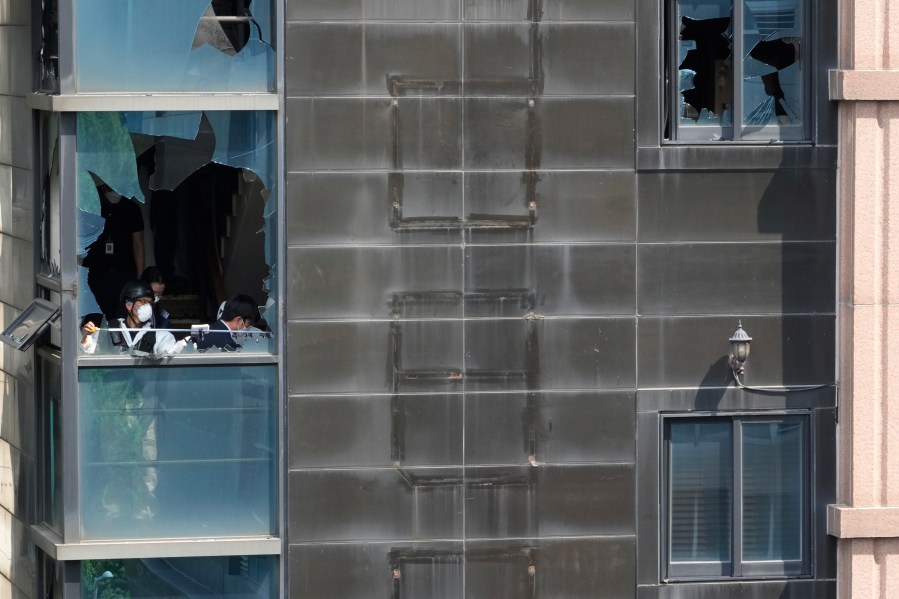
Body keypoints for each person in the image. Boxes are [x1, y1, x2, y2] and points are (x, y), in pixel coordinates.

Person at [83, 183, 145, 320]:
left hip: (124, 273)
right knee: (95, 318)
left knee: (123, 318)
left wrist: (140, 276)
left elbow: (138, 243)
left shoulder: (131, 208)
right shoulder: (92, 204)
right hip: (97, 272)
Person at [80, 280, 187, 358]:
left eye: (150, 303)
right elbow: (90, 352)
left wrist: (184, 344)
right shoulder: (110, 329)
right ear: (129, 305)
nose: (148, 306)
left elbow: (169, 352)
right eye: (144, 302)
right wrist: (86, 336)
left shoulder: (157, 334)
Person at [194, 294, 260, 352]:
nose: (249, 328)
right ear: (239, 320)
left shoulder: (205, 334)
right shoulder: (229, 347)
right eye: (249, 324)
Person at [141, 266, 171, 330]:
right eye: (154, 292)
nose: (156, 296)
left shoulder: (157, 308)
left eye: (160, 293)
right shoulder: (133, 309)